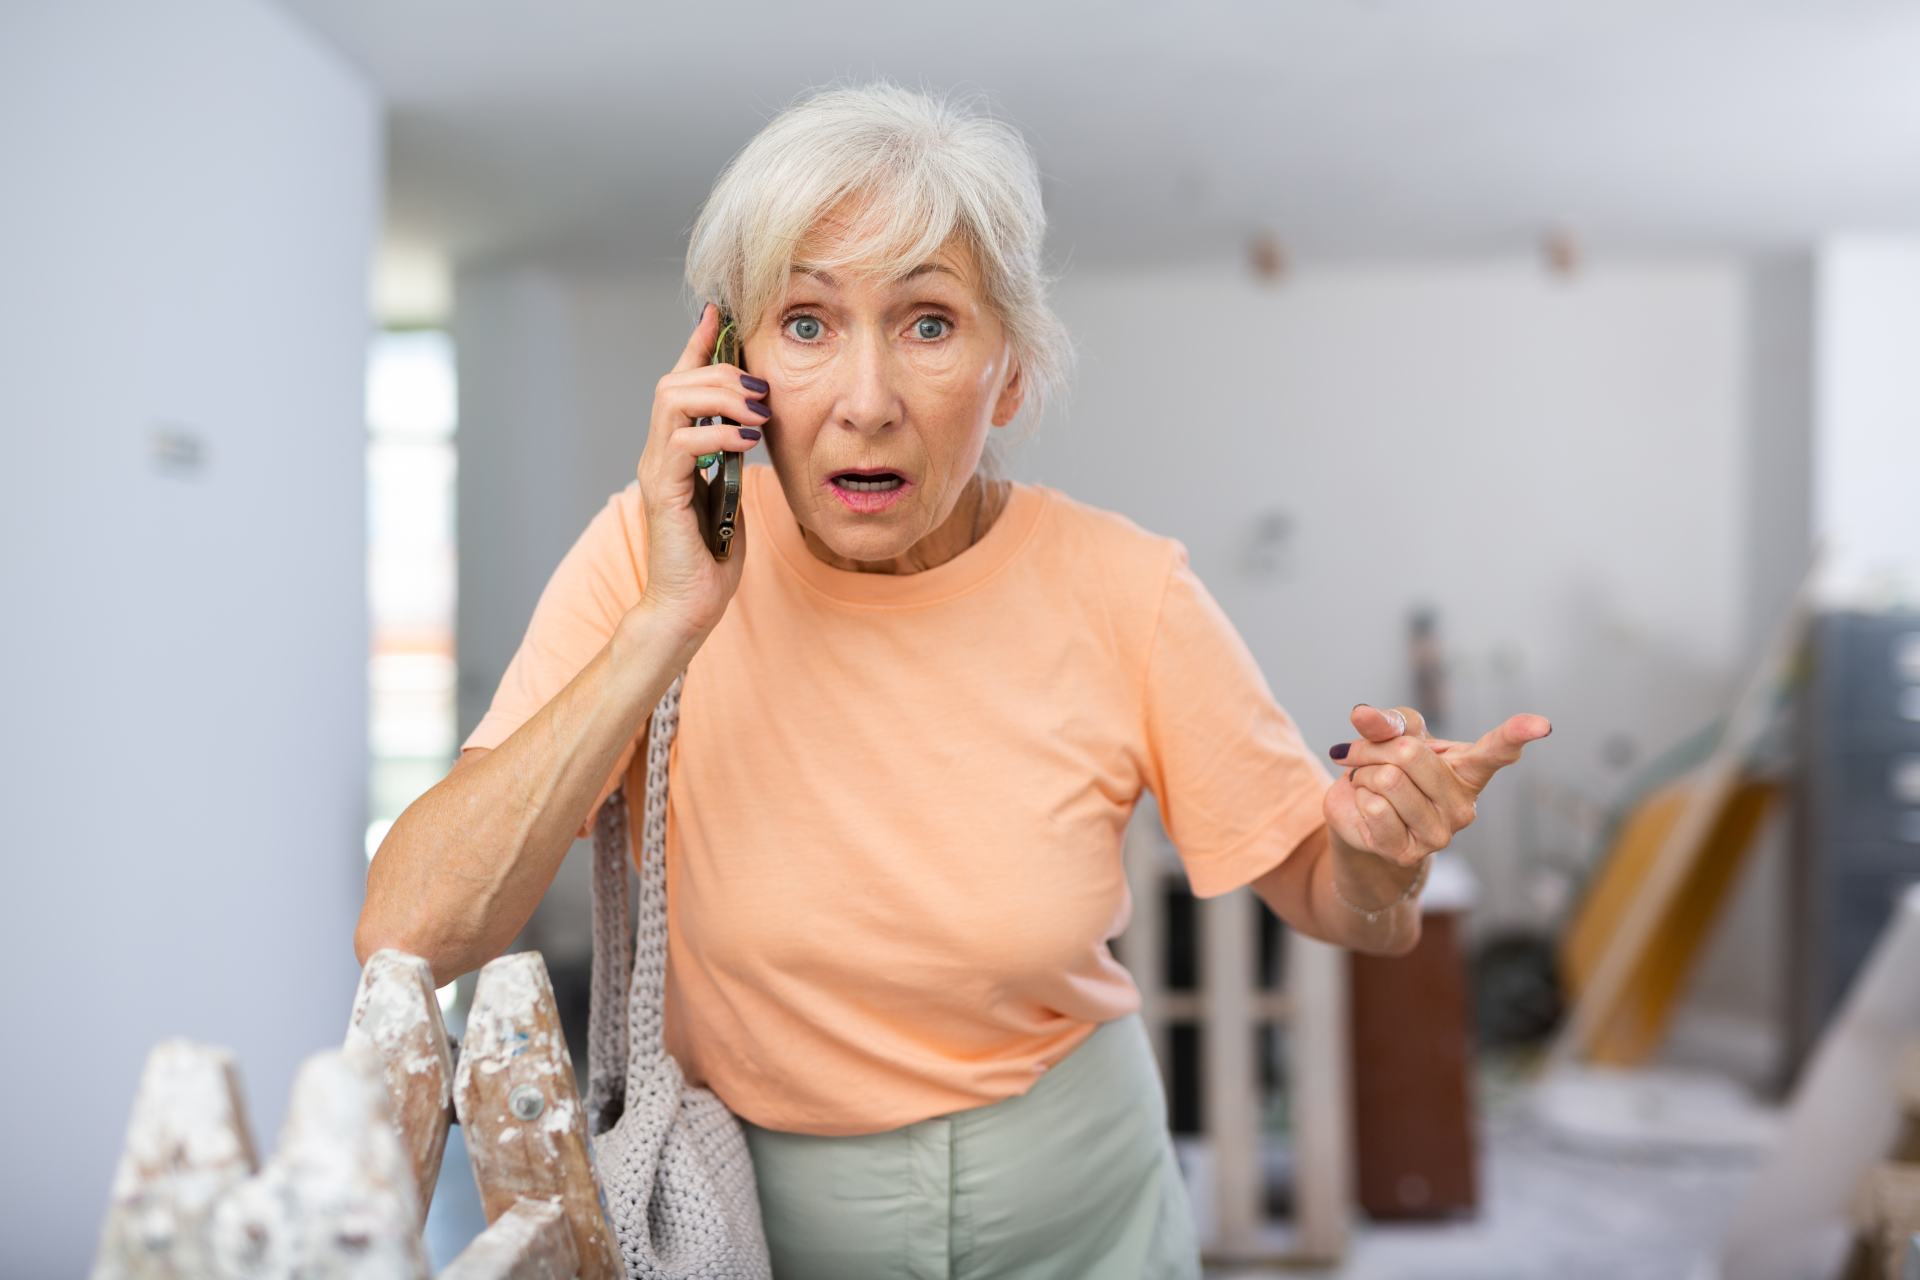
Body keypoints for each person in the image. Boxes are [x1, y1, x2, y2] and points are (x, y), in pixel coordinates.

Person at [355, 81, 1550, 1278]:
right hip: (768, 1221)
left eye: (928, 323)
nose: (866, 403)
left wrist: (1382, 860)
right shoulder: (642, 555)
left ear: (1012, 373)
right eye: (808, 324)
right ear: (732, 362)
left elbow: (1329, 893)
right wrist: (668, 618)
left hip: (1090, 1208)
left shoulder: (1129, 589)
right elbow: (410, 931)